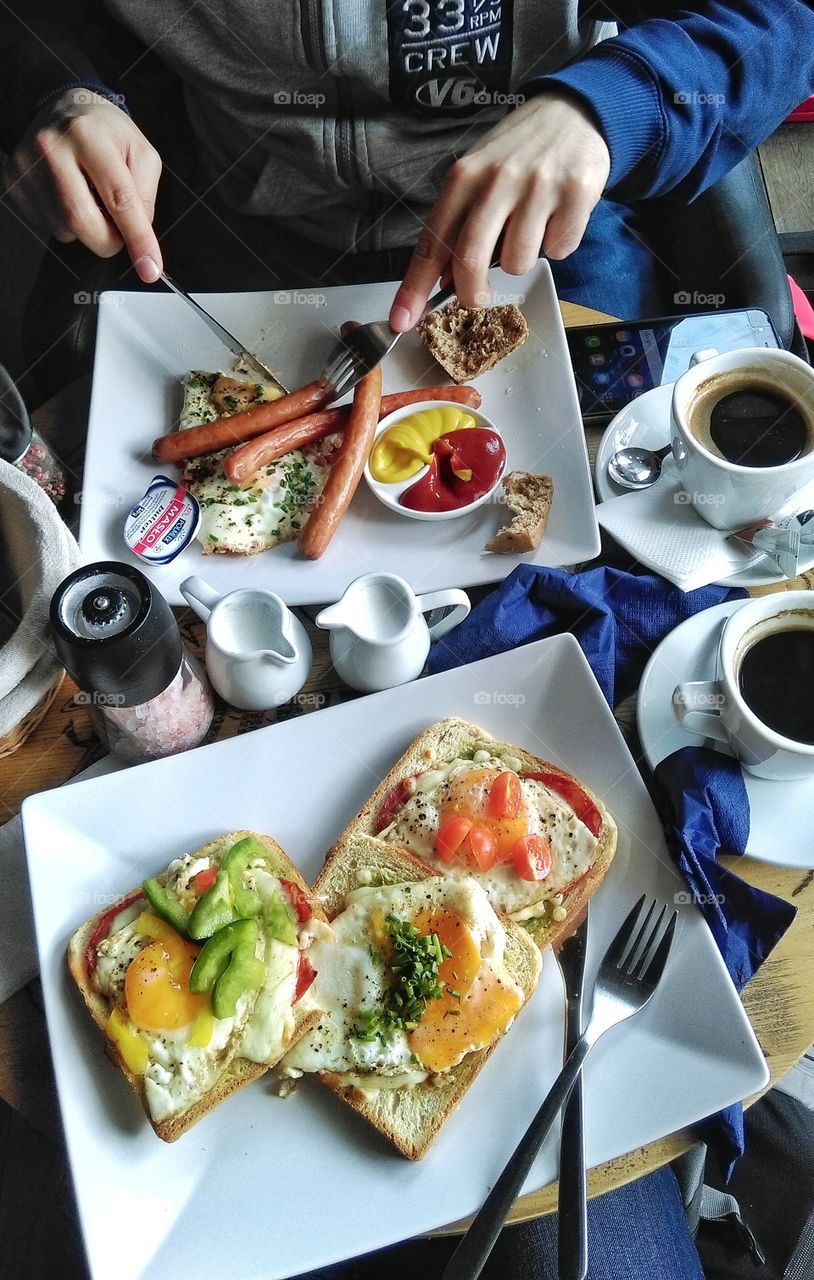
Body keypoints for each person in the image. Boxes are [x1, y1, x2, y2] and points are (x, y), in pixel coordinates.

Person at [2, 1, 814, 332]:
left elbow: (782, 21)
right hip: (229, 219)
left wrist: (614, 102)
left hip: (544, 233)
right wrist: (52, 90)